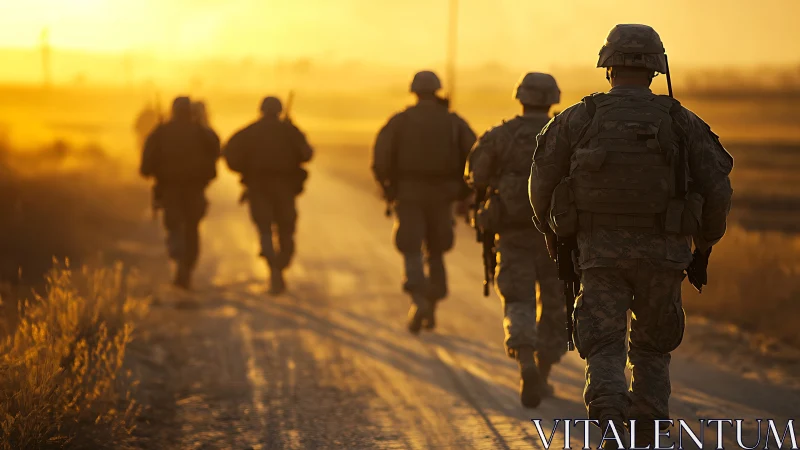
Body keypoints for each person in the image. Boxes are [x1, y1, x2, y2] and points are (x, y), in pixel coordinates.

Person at [529, 24, 733, 447]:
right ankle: (648, 430)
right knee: (653, 348)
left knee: (603, 344)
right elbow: (717, 187)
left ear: (608, 67)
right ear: (657, 69)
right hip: (665, 253)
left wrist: (552, 232)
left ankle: (607, 414)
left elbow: (540, 181)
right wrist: (705, 245)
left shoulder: (578, 117)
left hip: (598, 252)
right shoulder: (681, 120)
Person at [465, 72, 566, 408]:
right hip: (557, 235)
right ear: (552, 98)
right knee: (555, 304)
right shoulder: (566, 134)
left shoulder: (499, 136)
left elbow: (476, 179)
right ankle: (543, 370)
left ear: (519, 97)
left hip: (512, 233)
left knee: (519, 300)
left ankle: (526, 363)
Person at [372, 70, 476, 334]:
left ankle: (419, 298)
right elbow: (474, 155)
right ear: (438, 91)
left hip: (408, 193)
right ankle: (432, 298)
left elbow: (381, 156)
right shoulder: (453, 122)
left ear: (415, 91)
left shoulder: (400, 121)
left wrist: (387, 185)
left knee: (410, 247)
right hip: (443, 194)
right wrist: (464, 194)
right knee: (437, 248)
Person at [224, 96, 313, 294]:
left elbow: (229, 152)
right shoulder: (289, 131)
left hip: (259, 186)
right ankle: (279, 264)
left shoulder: (250, 131)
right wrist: (294, 132)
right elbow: (307, 154)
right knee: (286, 228)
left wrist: (244, 171)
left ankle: (273, 263)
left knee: (264, 227)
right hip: (284, 187)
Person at [140, 96, 221, 289]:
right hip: (194, 188)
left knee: (174, 225)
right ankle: (186, 268)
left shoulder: (161, 132)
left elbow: (145, 167)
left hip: (170, 189)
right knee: (192, 228)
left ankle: (179, 259)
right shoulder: (202, 132)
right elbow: (216, 152)